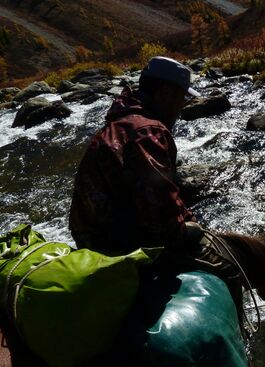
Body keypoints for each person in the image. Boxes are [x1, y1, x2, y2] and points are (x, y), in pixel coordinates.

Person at [69, 56, 201, 254]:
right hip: (115, 248)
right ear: (165, 93)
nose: (182, 106)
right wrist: (190, 229)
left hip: (91, 239)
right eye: (182, 97)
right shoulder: (147, 132)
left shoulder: (121, 121)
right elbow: (161, 215)